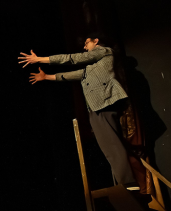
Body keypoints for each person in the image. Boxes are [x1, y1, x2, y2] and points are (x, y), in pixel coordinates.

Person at [20, 33, 139, 190]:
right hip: (97, 105)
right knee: (107, 144)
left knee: (110, 143)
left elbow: (72, 58)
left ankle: (128, 182)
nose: (85, 47)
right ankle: (124, 182)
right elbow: (73, 75)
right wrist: (46, 77)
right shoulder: (93, 67)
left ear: (96, 41)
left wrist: (40, 59)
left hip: (104, 101)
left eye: (87, 43)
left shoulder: (105, 51)